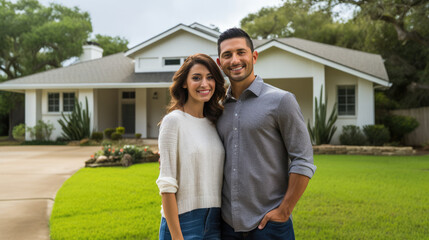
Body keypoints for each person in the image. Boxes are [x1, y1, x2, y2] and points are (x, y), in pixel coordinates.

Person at [216, 28, 317, 239]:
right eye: (227, 55)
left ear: (254, 56)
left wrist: (284, 210)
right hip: (226, 227)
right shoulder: (217, 109)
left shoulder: (281, 101)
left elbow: (303, 160)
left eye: (240, 52)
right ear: (219, 62)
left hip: (269, 226)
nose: (234, 60)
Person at [156, 53, 226, 240]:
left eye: (210, 77)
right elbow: (167, 185)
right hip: (183, 221)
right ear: (184, 83)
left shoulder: (215, 122)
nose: (205, 84)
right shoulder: (173, 121)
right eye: (196, 78)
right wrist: (177, 236)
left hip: (216, 220)